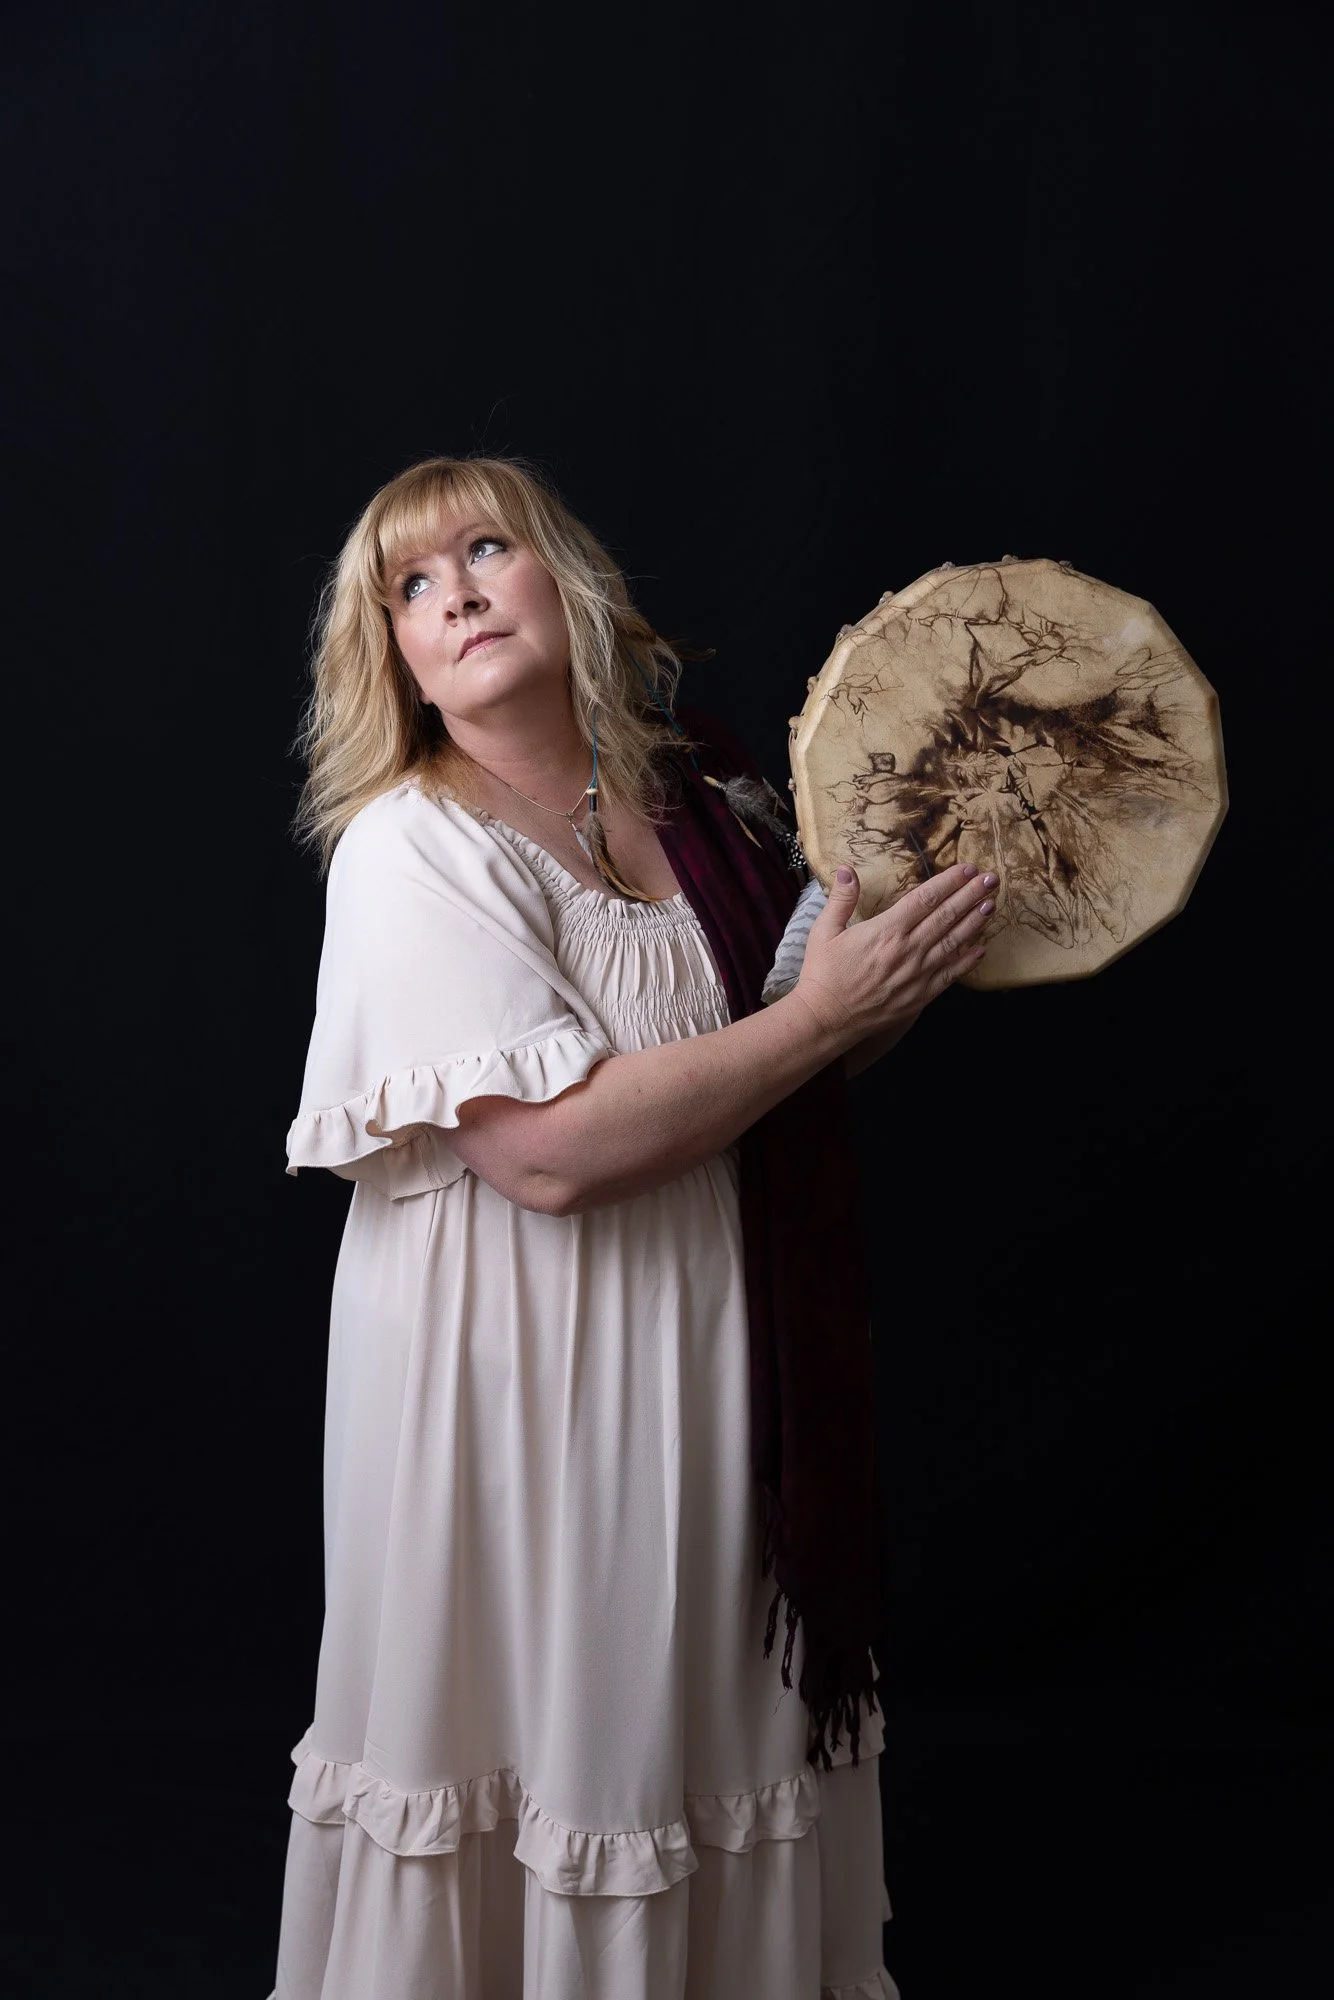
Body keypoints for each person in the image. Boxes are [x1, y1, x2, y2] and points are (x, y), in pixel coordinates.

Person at [267, 455, 994, 2000]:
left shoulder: (696, 796)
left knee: (686, 1726)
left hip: (704, 1336)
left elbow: (781, 1052)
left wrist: (889, 974)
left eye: (485, 549)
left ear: (564, 578)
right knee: (549, 1732)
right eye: (409, 586)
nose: (455, 594)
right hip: (511, 1379)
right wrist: (819, 1021)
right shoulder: (413, 845)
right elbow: (544, 1154)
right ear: (392, 657)